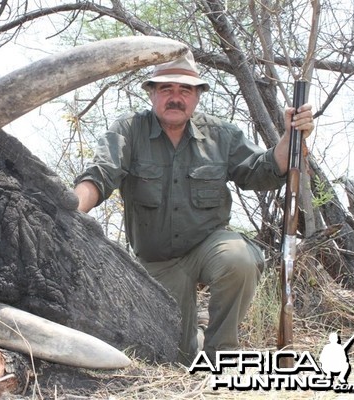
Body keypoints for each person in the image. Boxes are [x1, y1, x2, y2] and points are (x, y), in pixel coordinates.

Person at [73, 50, 314, 365]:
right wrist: (69, 210)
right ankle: (195, 344)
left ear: (198, 96)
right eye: (166, 89)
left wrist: (290, 136)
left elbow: (262, 171)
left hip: (208, 246)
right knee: (176, 360)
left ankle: (222, 354)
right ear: (151, 93)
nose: (175, 98)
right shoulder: (129, 129)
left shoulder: (221, 134)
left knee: (238, 258)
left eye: (185, 90)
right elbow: (100, 175)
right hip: (158, 262)